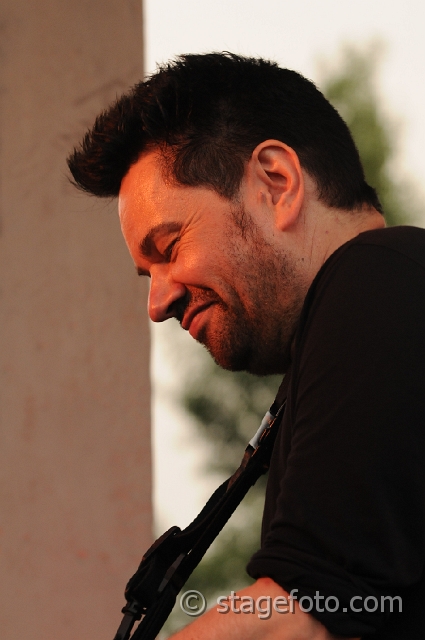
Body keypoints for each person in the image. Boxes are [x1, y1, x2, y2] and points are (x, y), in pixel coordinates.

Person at [67, 53, 425, 639]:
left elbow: (297, 617)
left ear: (275, 184)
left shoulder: (378, 277)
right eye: (147, 275)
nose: (157, 303)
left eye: (169, 247)